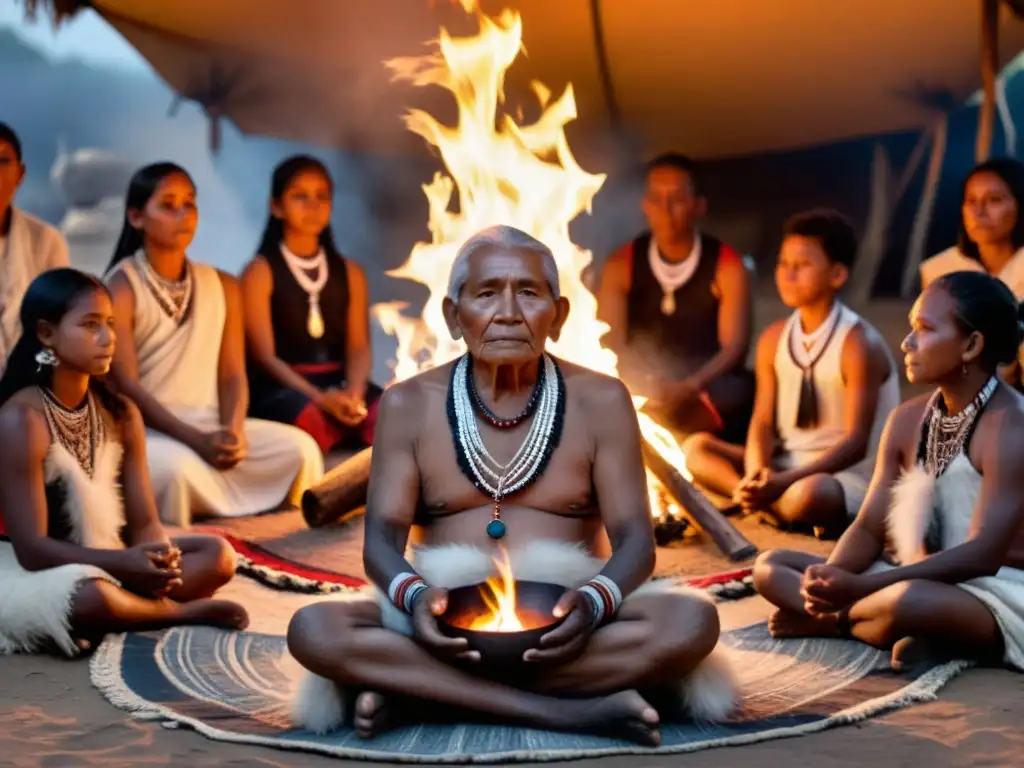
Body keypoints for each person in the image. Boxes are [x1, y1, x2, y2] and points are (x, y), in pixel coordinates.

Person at [286, 225, 735, 745]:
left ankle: (422, 693)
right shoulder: (409, 404)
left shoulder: (603, 400)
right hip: (441, 620)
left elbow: (636, 541)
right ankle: (563, 712)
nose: (507, 311)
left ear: (559, 315)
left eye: (528, 292)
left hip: (568, 619)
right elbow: (381, 544)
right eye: (485, 293)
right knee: (314, 631)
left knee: (691, 623)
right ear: (455, 317)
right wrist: (415, 601)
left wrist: (593, 602)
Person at [753, 271, 1024, 671]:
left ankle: (836, 624)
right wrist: (832, 580)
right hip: (910, 575)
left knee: (910, 601)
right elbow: (867, 529)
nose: (907, 342)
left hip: (999, 589)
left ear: (971, 345)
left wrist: (860, 589)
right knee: (770, 567)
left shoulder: (1011, 425)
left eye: (925, 329)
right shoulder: (907, 419)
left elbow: (982, 556)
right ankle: (911, 632)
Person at [0, 268, 247, 656]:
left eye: (111, 324)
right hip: (37, 569)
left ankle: (139, 606)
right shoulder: (21, 419)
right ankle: (175, 614)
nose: (108, 338)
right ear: (46, 334)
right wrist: (125, 564)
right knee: (91, 598)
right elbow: (32, 550)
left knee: (218, 556)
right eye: (90, 325)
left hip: (111, 554)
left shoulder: (121, 412)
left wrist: (155, 561)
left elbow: (145, 519)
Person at [104, 162, 323, 527]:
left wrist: (233, 432)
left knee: (301, 450)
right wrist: (196, 440)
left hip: (211, 425)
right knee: (178, 472)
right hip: (153, 433)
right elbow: (126, 386)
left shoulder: (222, 284)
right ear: (136, 217)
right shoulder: (121, 286)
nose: (182, 214)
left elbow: (234, 374)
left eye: (189, 203)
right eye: (168, 204)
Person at [685, 210, 900, 533]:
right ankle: (754, 498)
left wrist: (784, 481)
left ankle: (770, 507)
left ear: (837, 275)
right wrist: (758, 473)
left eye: (802, 265)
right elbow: (763, 422)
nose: (788, 274)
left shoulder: (857, 342)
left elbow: (856, 442)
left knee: (813, 495)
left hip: (843, 474)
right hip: (787, 465)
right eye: (783, 264)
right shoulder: (773, 339)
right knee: (696, 448)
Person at [596, 153, 753, 442]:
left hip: (704, 382)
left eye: (677, 199)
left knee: (738, 391)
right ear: (645, 207)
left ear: (698, 206)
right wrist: (645, 383)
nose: (665, 209)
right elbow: (610, 340)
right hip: (644, 380)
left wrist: (691, 385)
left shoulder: (726, 264)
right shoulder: (621, 263)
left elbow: (735, 347)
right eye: (656, 198)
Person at [242, 155, 380, 453]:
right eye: (299, 196)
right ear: (276, 206)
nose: (313, 206)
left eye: (322, 197)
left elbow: (358, 347)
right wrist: (319, 398)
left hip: (339, 384)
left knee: (392, 413)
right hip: (284, 387)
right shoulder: (260, 272)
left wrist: (355, 392)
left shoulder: (350, 272)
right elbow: (265, 357)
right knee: (310, 421)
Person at [0, 122, 70, 376]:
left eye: (2, 161)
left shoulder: (46, 240)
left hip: (28, 381)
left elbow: (58, 325)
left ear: (20, 174)